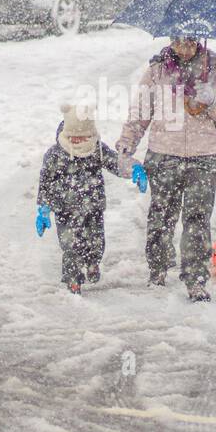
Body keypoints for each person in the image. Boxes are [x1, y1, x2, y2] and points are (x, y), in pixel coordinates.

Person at [116, 26, 216, 302]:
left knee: (197, 219)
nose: (185, 48)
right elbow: (140, 113)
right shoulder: (157, 72)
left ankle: (195, 278)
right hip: (164, 155)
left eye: (191, 42)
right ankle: (158, 269)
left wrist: (212, 98)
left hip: (204, 157)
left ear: (198, 41)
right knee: (161, 215)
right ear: (171, 41)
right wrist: (128, 140)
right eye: (179, 42)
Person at [36, 104, 146, 295]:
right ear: (67, 134)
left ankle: (93, 262)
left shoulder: (96, 149)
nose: (79, 141)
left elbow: (115, 162)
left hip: (93, 207)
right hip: (65, 210)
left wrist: (133, 168)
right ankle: (73, 279)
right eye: (75, 137)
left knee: (96, 242)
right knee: (70, 245)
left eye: (85, 137)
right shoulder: (55, 155)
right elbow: (45, 182)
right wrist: (44, 208)